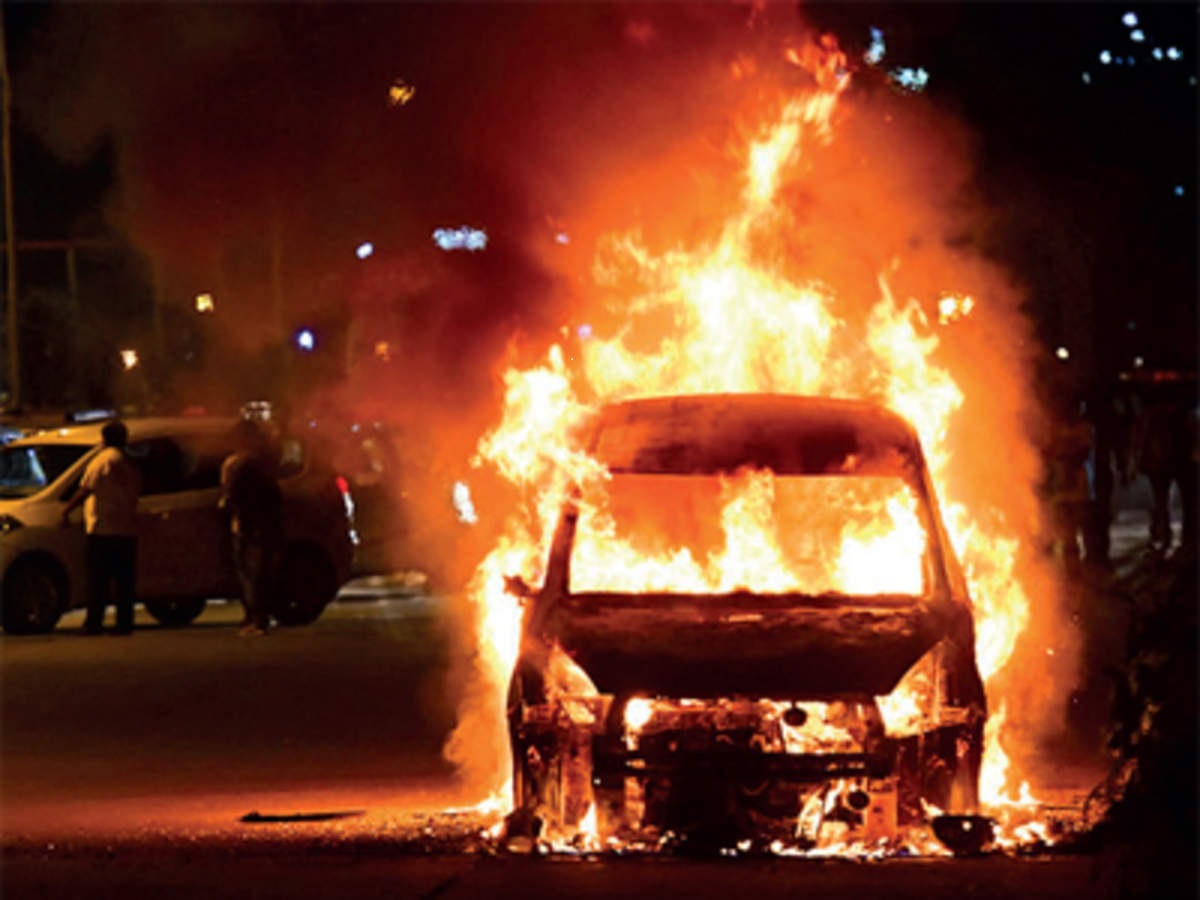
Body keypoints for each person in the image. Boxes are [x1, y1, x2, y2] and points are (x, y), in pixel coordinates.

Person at [60, 419, 142, 635]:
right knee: (124, 581)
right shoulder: (130, 462)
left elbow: (85, 488)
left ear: (105, 439)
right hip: (126, 528)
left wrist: (66, 510)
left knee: (99, 580)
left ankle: (94, 623)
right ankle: (125, 623)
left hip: (103, 528)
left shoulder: (102, 461)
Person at [219, 418, 283, 636]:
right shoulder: (265, 462)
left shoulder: (239, 464)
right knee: (257, 572)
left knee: (252, 573)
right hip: (260, 524)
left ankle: (257, 620)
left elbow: (232, 497)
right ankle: (256, 617)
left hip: (249, 525)